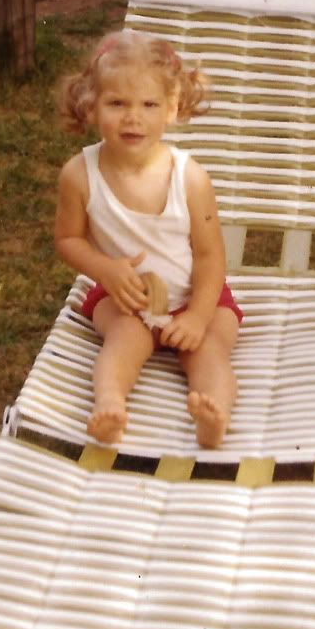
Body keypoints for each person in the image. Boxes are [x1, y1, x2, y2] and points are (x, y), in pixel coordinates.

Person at [54, 29, 241, 448]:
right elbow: (67, 238)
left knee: (209, 350)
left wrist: (197, 316)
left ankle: (214, 416)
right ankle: (110, 406)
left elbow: (210, 257)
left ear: (172, 108)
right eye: (117, 103)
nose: (133, 117)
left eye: (149, 104)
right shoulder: (79, 175)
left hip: (196, 296)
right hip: (125, 299)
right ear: (90, 105)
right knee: (123, 341)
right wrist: (104, 269)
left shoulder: (190, 178)